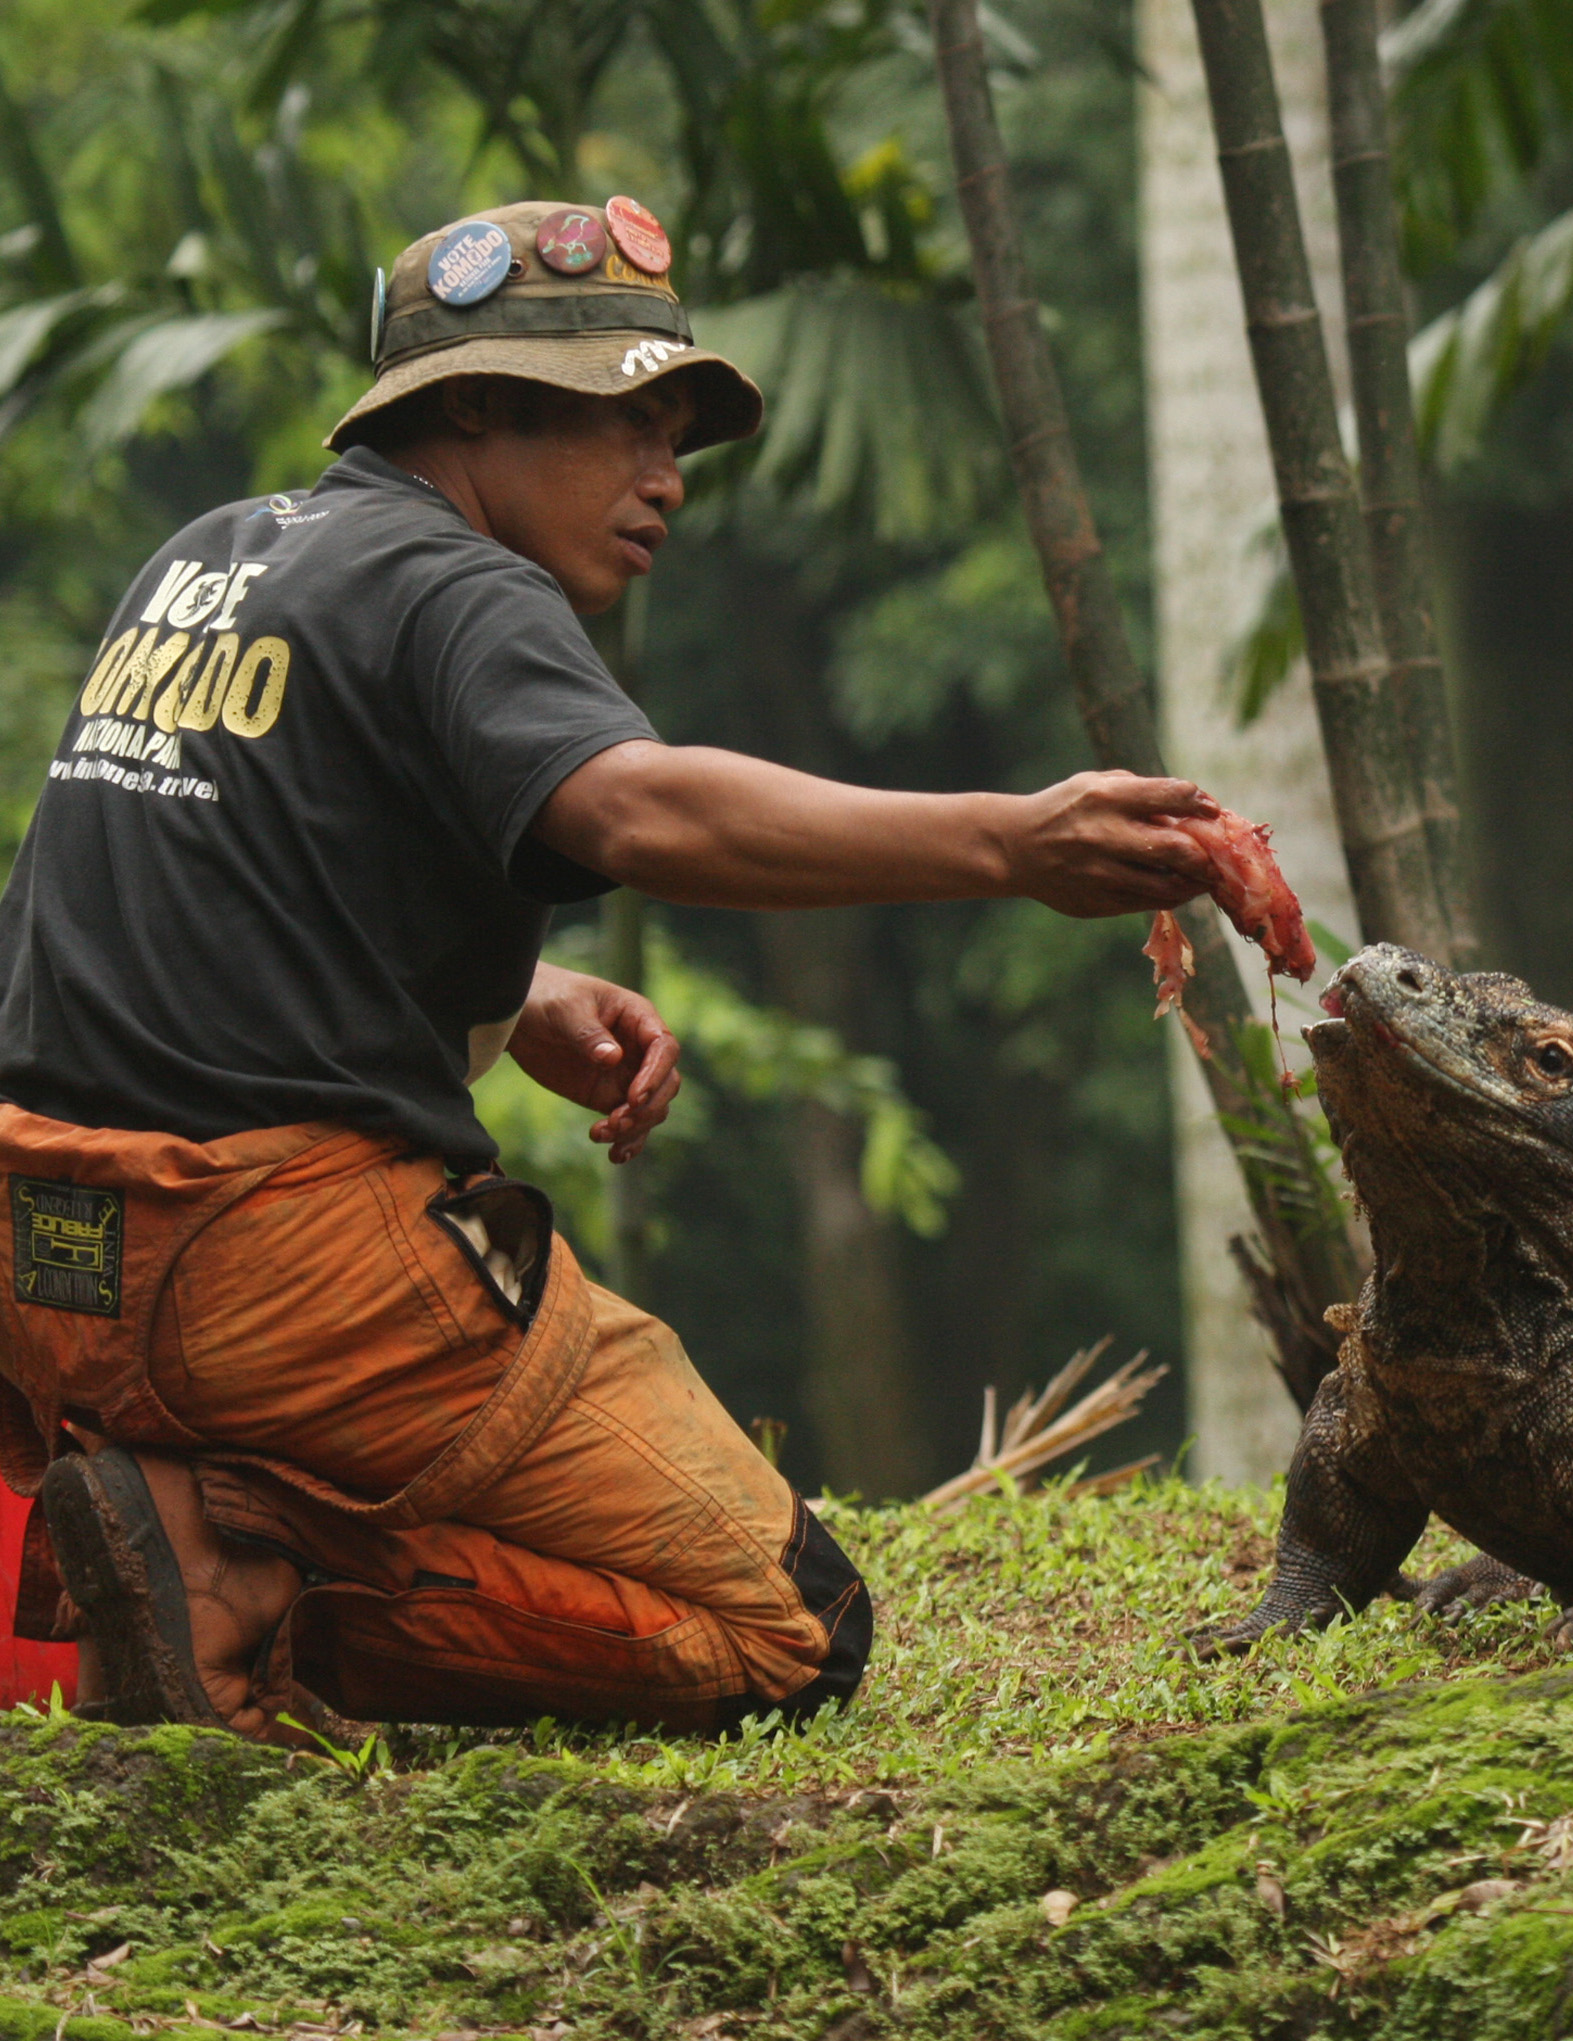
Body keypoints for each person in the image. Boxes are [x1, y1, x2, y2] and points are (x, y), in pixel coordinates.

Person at [0, 200, 1218, 1741]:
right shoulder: (459, 582)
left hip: (49, 1264)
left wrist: (511, 1003)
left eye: (677, 437)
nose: (668, 478)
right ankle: (245, 1568)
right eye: (625, 422)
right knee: (792, 1630)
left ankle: (190, 1521)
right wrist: (1010, 841)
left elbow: (179, 892)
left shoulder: (209, 559)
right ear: (475, 407)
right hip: (283, 1275)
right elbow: (634, 811)